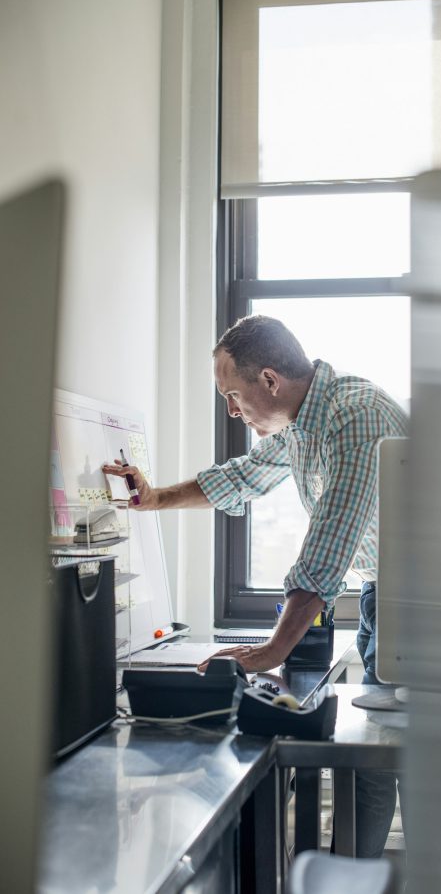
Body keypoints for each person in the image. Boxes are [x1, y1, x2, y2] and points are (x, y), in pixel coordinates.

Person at [104, 314, 408, 857]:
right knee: (374, 768)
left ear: (269, 381)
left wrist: (272, 650)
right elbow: (240, 477)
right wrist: (153, 499)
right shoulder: (302, 425)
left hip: (424, 605)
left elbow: (327, 549)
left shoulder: (354, 416)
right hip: (381, 598)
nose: (231, 409)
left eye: (231, 394)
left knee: (420, 769)